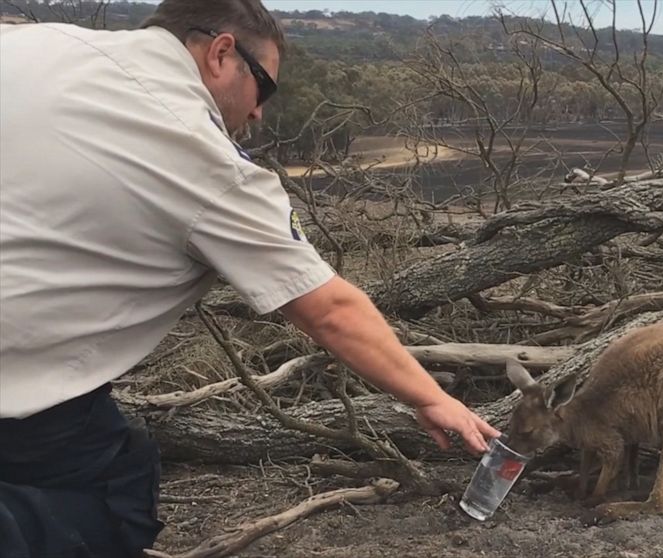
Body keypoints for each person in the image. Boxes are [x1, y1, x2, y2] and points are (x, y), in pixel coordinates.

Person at [0, 1, 500, 556]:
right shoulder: (198, 154)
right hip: (20, 394)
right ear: (221, 53)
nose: (260, 113)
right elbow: (329, 309)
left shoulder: (38, 43)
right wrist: (432, 398)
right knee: (103, 502)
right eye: (264, 88)